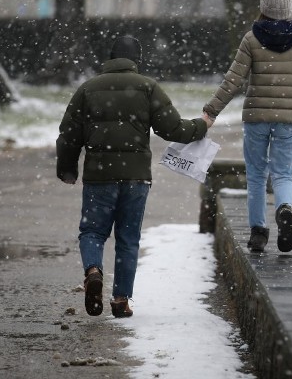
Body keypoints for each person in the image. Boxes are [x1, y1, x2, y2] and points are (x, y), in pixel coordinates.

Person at [56, 35, 213, 317]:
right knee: (128, 239)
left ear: (110, 58)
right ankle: (120, 300)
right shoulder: (148, 88)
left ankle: (93, 271)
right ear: (136, 61)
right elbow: (172, 129)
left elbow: (68, 135)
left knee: (92, 231)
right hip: (136, 178)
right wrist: (200, 126)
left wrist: (68, 168)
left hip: (99, 176)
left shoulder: (88, 89)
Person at [203, 0, 292, 253]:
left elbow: (233, 79)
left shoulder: (251, 39)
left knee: (256, 175)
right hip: (290, 119)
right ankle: (284, 209)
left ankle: (258, 231)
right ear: (288, 8)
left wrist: (211, 112)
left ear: (264, 6)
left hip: (256, 117)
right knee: (283, 174)